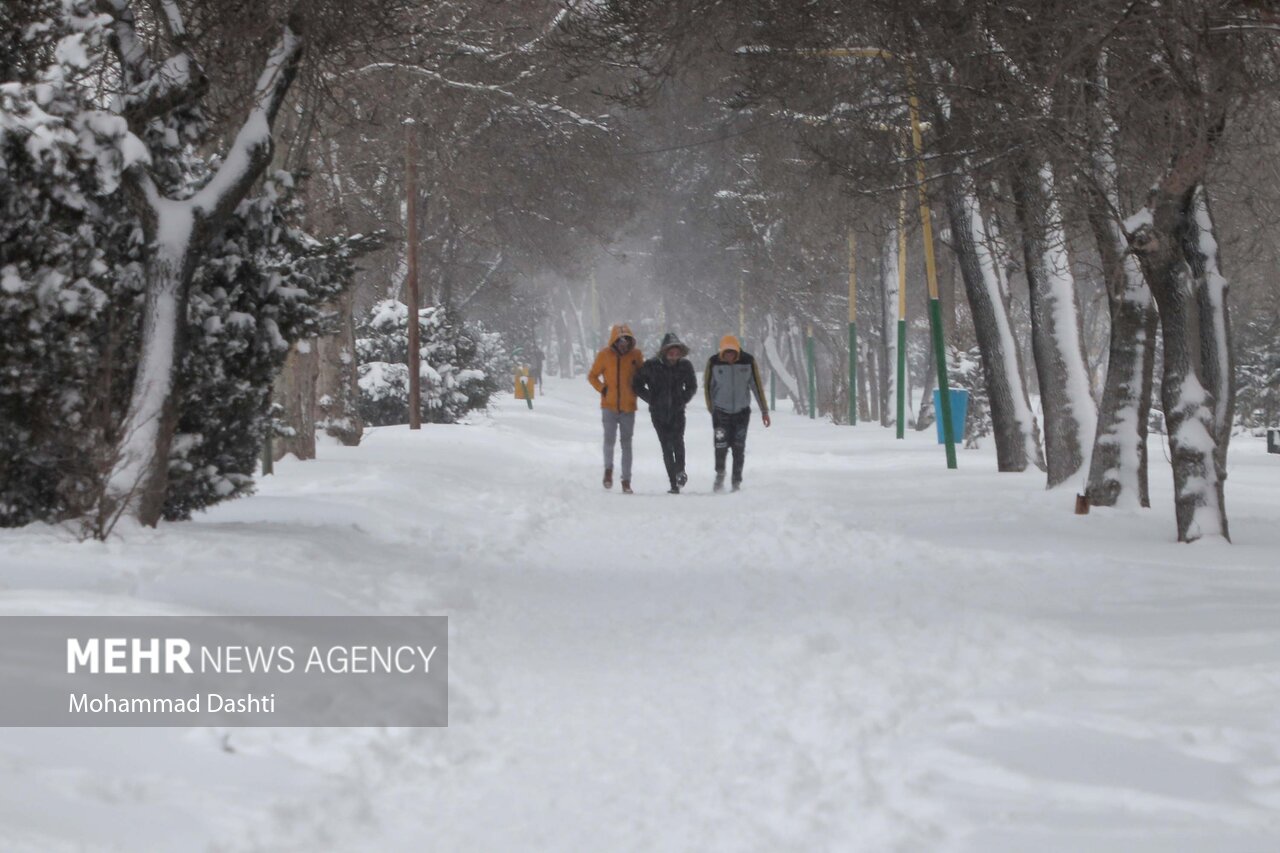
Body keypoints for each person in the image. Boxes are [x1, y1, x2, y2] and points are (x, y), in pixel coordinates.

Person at [632, 332, 698, 494]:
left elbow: (692, 386)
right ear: (664, 351)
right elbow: (636, 384)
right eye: (670, 352)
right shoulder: (651, 366)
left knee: (678, 442)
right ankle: (673, 483)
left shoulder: (685, 366)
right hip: (658, 413)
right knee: (666, 446)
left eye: (676, 352)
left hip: (677, 411)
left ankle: (680, 471)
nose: (673, 355)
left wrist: (683, 399)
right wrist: (651, 399)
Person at [703, 335, 770, 492]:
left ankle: (736, 481)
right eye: (727, 353)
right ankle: (720, 474)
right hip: (720, 413)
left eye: (733, 352)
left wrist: (764, 411)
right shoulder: (714, 362)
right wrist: (711, 408)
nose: (730, 356)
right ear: (722, 352)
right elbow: (707, 387)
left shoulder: (748, 361)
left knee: (738, 447)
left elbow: (757, 386)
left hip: (741, 413)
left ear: (737, 351)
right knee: (720, 446)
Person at [587, 324, 644, 493]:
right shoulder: (604, 355)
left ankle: (626, 480)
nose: (622, 343)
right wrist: (602, 388)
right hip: (609, 406)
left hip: (628, 406)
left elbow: (643, 375)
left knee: (626, 444)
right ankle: (608, 470)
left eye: (626, 340)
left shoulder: (636, 355)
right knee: (609, 441)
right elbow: (592, 376)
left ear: (630, 340)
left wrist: (638, 388)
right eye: (619, 340)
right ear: (613, 341)